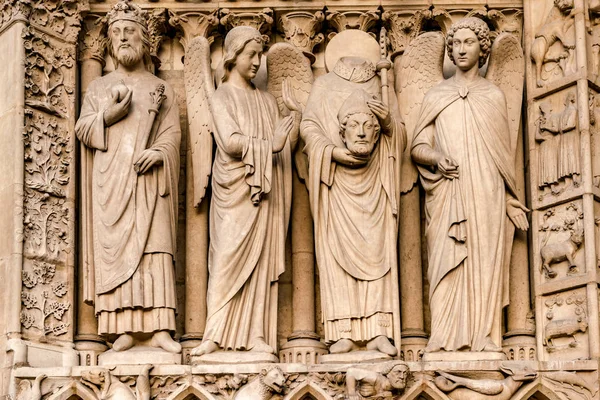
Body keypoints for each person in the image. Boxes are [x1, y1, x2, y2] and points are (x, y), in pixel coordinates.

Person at [411, 17, 529, 353]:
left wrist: (508, 200)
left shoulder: (493, 95)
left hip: (487, 192)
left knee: (484, 261)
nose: (461, 49)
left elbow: (503, 157)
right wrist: (435, 158)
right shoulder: (437, 94)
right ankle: (444, 336)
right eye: (456, 44)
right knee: (445, 260)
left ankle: (485, 335)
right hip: (449, 191)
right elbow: (417, 146)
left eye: (469, 43)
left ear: (483, 49)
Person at [75, 0, 181, 353]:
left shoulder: (159, 88)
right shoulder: (99, 88)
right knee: (117, 254)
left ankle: (161, 326)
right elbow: (83, 128)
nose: (123, 38)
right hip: (111, 182)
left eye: (130, 31)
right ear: (107, 42)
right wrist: (108, 116)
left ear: (144, 40)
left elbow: (173, 135)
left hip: (150, 183)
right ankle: (121, 327)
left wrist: (159, 152)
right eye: (116, 32)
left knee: (156, 248)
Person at [191, 26, 299, 356]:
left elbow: (284, 146)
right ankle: (214, 333)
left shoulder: (266, 101)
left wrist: (295, 119)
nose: (257, 62)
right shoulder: (222, 96)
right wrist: (272, 144)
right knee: (224, 260)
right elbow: (229, 141)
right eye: (251, 55)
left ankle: (256, 334)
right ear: (233, 56)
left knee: (261, 266)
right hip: (232, 192)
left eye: (260, 55)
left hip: (265, 194)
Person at [301, 55, 404, 356]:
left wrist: (386, 121)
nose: (360, 131)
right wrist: (332, 152)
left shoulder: (382, 84)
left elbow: (400, 135)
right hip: (337, 186)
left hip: (376, 183)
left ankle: (378, 331)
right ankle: (342, 329)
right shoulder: (324, 85)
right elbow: (308, 128)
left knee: (378, 254)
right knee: (336, 255)